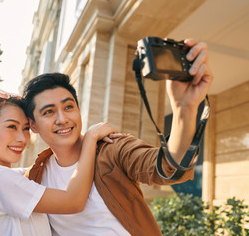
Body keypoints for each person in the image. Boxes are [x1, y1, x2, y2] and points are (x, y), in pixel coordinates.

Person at [22, 38, 213, 236]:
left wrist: (184, 109)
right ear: (33, 125)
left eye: (68, 107)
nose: (62, 119)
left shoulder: (112, 148)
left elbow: (168, 166)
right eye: (48, 112)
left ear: (79, 109)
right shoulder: (35, 176)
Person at [0, 88, 122, 236]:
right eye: (11, 126)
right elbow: (73, 201)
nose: (22, 138)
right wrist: (90, 139)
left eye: (26, 129)